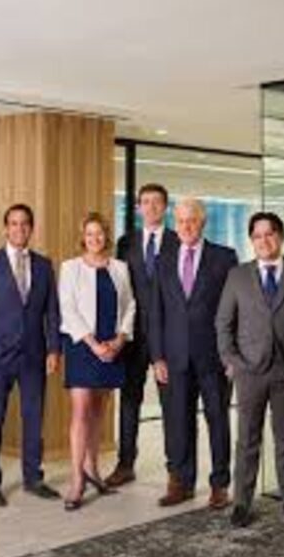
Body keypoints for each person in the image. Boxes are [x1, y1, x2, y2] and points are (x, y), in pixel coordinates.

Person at [215, 212, 284, 527]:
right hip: (249, 371)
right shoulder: (237, 276)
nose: (263, 241)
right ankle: (242, 503)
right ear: (251, 241)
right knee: (247, 439)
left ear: (280, 237)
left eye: (269, 234)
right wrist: (232, 362)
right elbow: (223, 323)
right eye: (257, 236)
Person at [148, 197, 239, 508]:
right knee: (177, 421)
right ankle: (180, 483)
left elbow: (234, 309)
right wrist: (157, 357)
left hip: (214, 358)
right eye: (181, 221)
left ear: (203, 222)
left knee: (218, 420)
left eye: (192, 220)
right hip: (174, 358)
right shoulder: (163, 260)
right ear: (175, 224)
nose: (186, 226)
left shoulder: (224, 258)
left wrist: (231, 354)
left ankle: (220, 485)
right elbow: (155, 312)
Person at [0, 203, 63, 506]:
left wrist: (54, 348)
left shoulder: (44, 265)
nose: (19, 228)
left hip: (34, 355)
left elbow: (52, 311)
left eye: (24, 223)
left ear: (31, 228)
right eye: (13, 223)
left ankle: (33, 478)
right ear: (5, 228)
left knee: (33, 418)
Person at [57, 213, 136, 510]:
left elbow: (130, 305)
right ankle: (77, 479)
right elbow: (68, 308)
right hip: (82, 345)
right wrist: (93, 344)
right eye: (89, 234)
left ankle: (92, 469)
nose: (95, 239)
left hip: (112, 346)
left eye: (99, 233)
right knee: (80, 411)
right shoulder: (70, 268)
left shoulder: (119, 268)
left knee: (99, 412)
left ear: (106, 235)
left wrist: (120, 339)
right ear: (83, 237)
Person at [105, 183, 179, 487]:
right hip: (133, 335)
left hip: (169, 336)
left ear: (165, 207)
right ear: (137, 208)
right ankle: (125, 465)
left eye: (156, 202)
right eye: (145, 202)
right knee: (129, 401)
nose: (150, 207)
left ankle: (176, 469)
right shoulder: (126, 243)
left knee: (172, 404)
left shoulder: (178, 241)